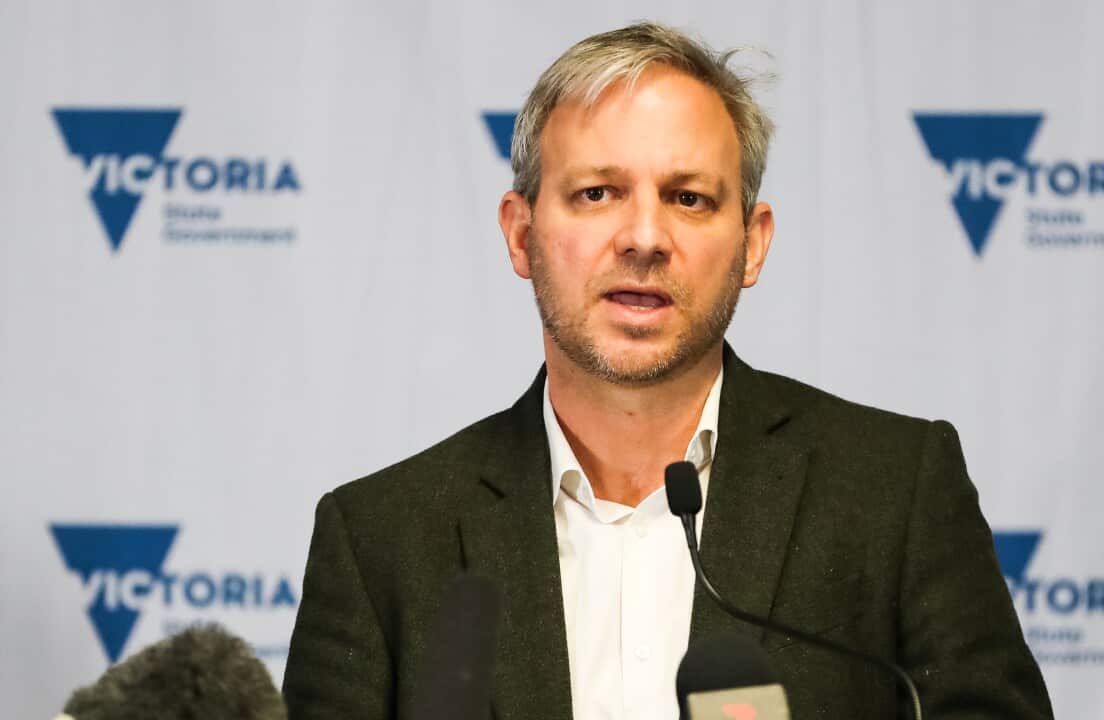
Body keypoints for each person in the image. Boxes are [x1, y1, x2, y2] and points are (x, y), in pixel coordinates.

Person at [282, 22, 1054, 720]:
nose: (645, 237)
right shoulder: (381, 540)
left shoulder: (894, 492)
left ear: (752, 244)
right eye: (597, 193)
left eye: (688, 198)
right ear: (521, 235)